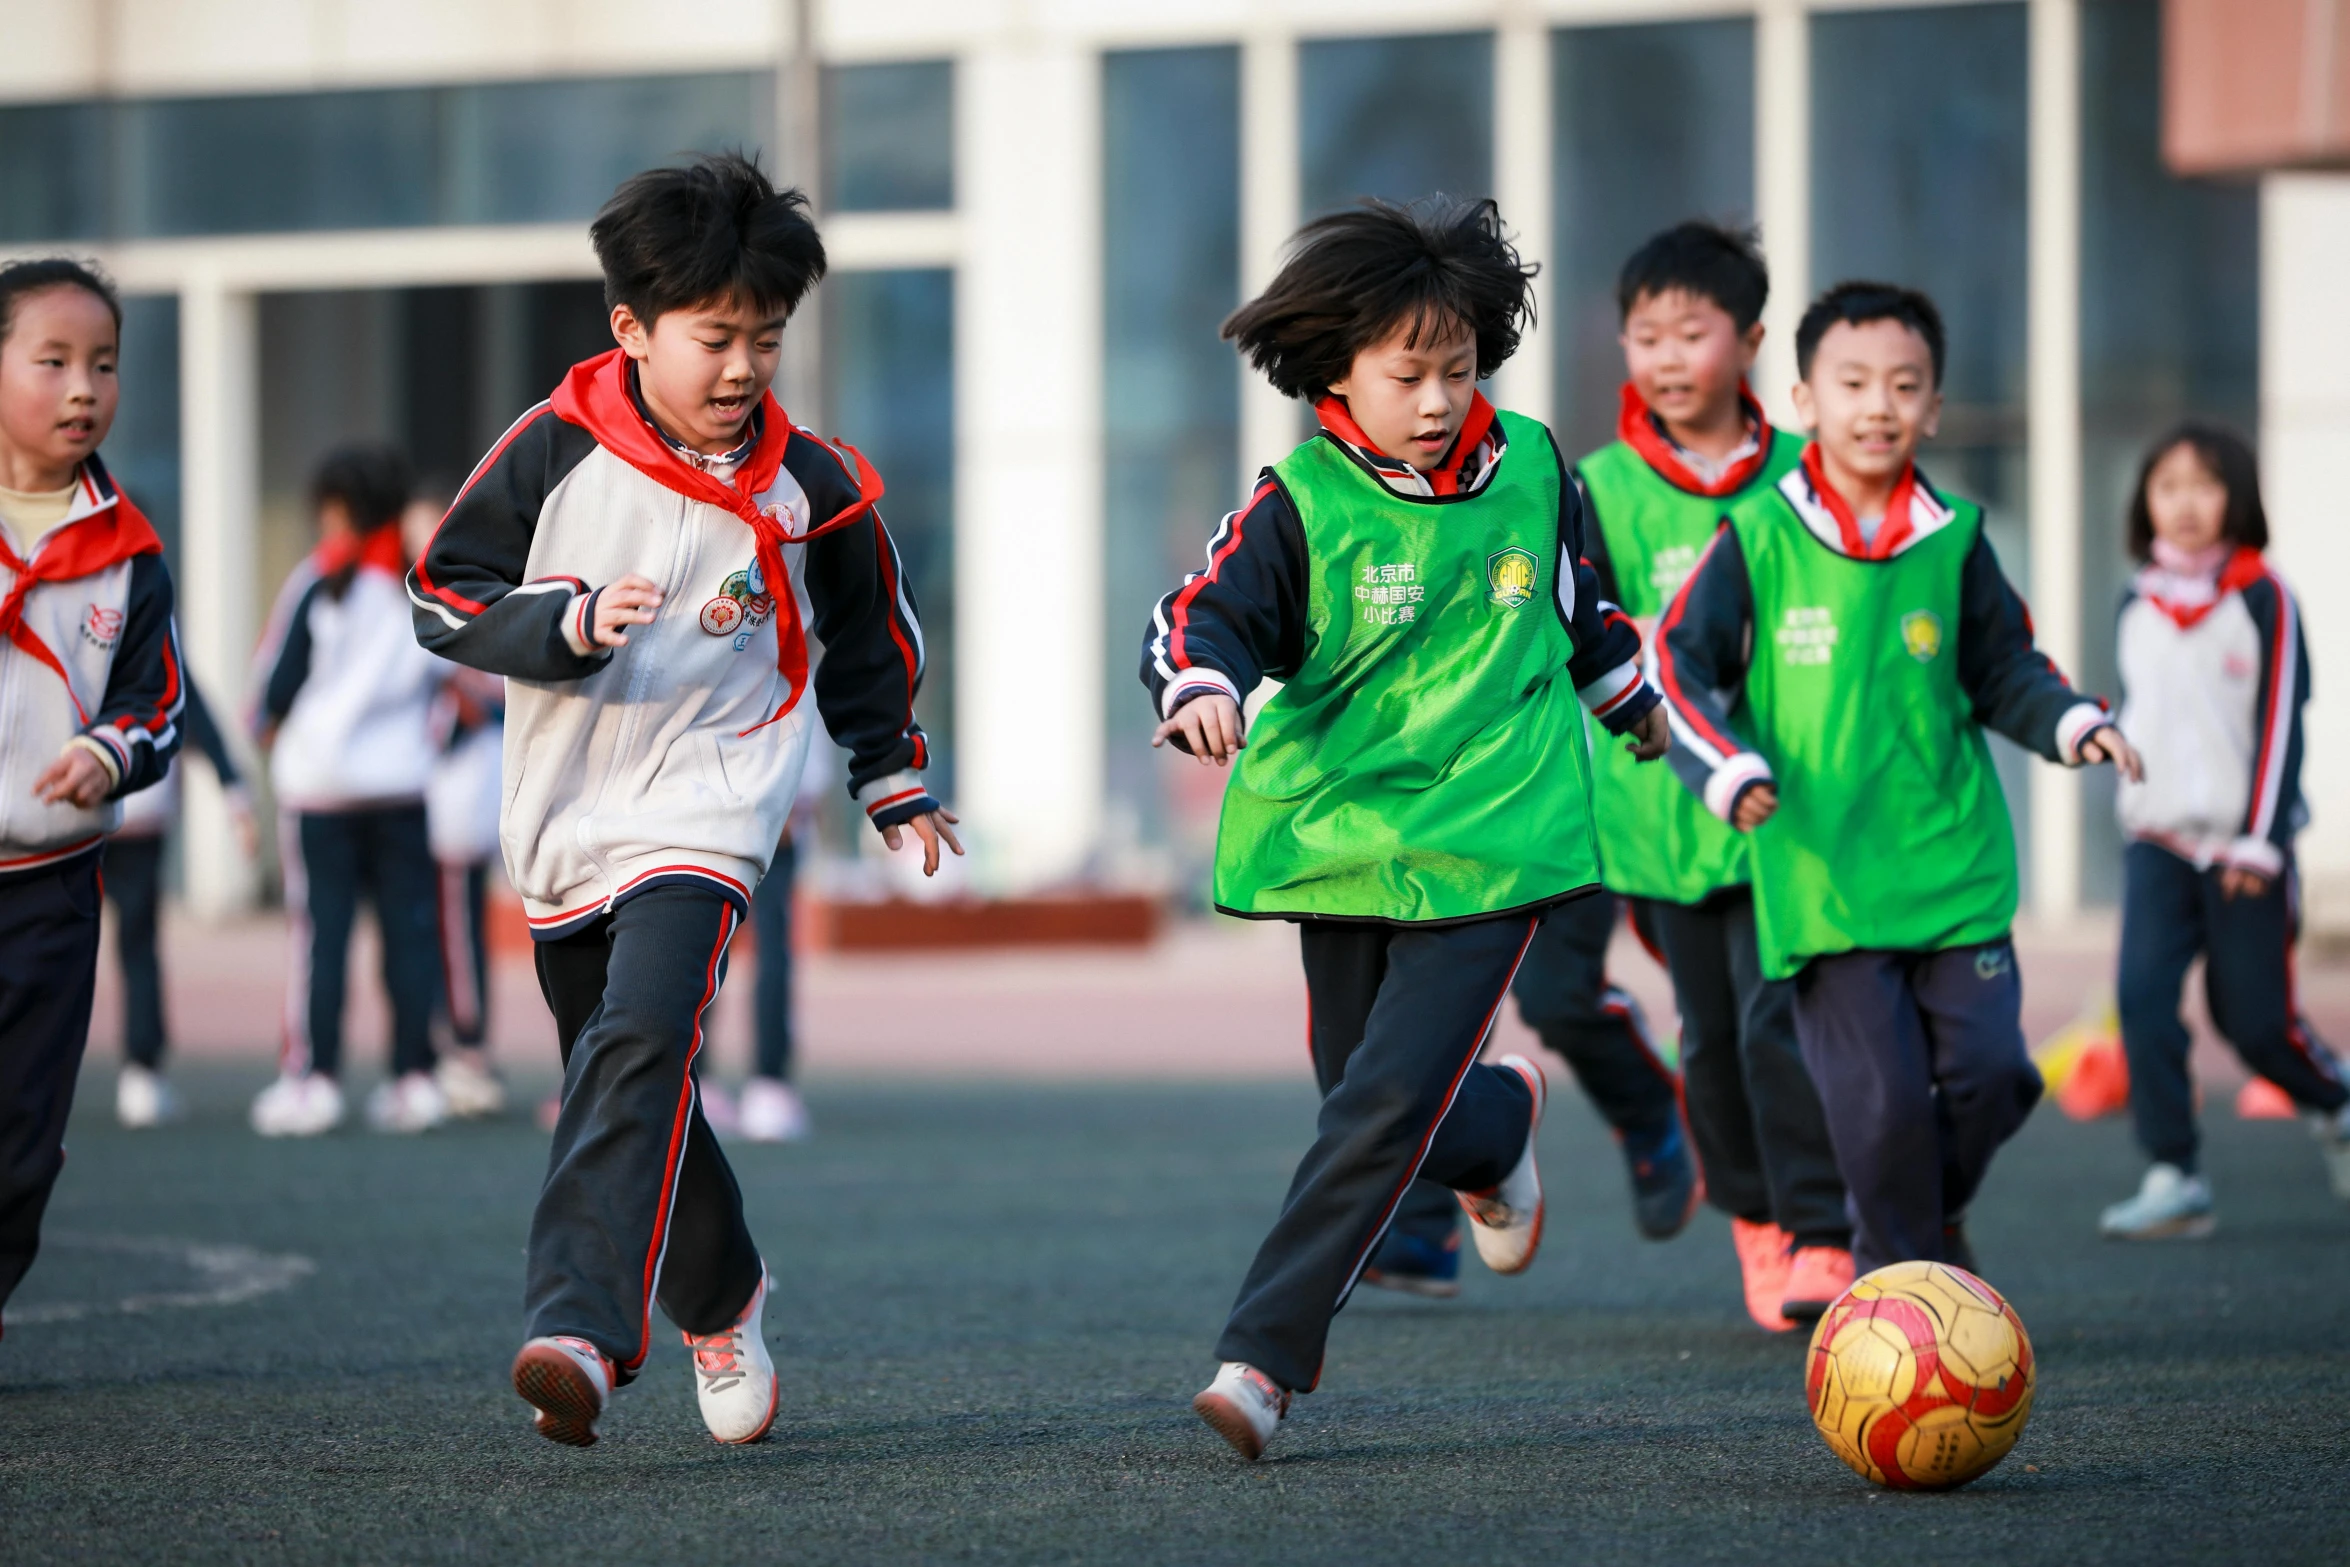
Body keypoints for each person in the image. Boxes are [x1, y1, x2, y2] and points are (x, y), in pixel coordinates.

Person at [410, 152, 956, 1449]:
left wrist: (892, 779)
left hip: (711, 809)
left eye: (763, 338)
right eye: (713, 338)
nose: (740, 368)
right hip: (560, 819)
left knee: (644, 1034)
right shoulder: (551, 448)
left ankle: (579, 1327)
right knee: (624, 1065)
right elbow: (443, 593)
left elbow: (870, 638)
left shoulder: (816, 483)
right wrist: (570, 622)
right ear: (631, 330)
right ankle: (723, 1291)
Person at [1143, 197, 1669, 1460]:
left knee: (1377, 1102)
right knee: (1370, 1093)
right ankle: (1499, 1125)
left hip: (1498, 832)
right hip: (1343, 838)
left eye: (1459, 368)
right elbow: (1196, 617)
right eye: (1407, 374)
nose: (1439, 398)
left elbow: (1579, 610)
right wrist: (1203, 686)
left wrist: (1633, 700)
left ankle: (1261, 1359)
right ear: (1336, 371)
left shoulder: (1539, 467)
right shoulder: (1298, 502)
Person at [1657, 280, 2143, 1277]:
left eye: (1903, 385)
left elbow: (2004, 665)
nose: (1877, 405)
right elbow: (1678, 666)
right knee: (1876, 1112)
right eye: (1853, 383)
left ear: (1931, 406)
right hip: (1824, 878)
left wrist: (2074, 722)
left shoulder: (1956, 534)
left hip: (1949, 867)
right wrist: (1727, 768)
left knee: (1995, 1077)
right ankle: (1900, 1301)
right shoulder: (1755, 535)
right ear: (1803, 402)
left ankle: (1921, 1219)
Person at [1570, 221, 1850, 1327]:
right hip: (1662, 816)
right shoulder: (1591, 486)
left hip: (1785, 809)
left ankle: (1823, 1226)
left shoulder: (1804, 476)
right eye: (1645, 336)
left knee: (1784, 1016)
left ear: (1751, 343)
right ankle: (1754, 1219)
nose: (1667, 357)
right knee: (1715, 1033)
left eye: (1692, 332)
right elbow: (1579, 630)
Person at [2096, 423, 2350, 1238]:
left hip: (2247, 851)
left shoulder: (2263, 596)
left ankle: (2336, 1100)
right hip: (2160, 843)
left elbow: (2281, 727)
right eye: (2167, 487)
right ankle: (2175, 1172)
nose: (2186, 503)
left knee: (2255, 1024)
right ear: (2146, 503)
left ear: (2235, 496)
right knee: (2140, 997)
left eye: (2204, 485)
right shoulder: (2136, 598)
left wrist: (2261, 839)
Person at [0, 258, 185, 1328]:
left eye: (104, 365)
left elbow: (157, 700)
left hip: (51, 888)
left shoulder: (131, 552)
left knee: (22, 1138)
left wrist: (112, 751)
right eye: (54, 360)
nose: (84, 388)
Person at [250, 444, 449, 1137]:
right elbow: (451, 686)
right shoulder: (422, 584)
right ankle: (415, 1077)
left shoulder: (320, 579)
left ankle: (314, 1079)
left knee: (321, 936)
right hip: (402, 787)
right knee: (411, 937)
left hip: (322, 792)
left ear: (338, 509)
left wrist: (269, 732)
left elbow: (274, 687)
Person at [106, 677, 255, 1127]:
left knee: (60, 942)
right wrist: (233, 788)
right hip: (123, 802)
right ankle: (142, 1073)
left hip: (88, 802)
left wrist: (232, 787)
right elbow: (186, 700)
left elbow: (184, 699)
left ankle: (136, 1071)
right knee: (134, 945)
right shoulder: (148, 610)